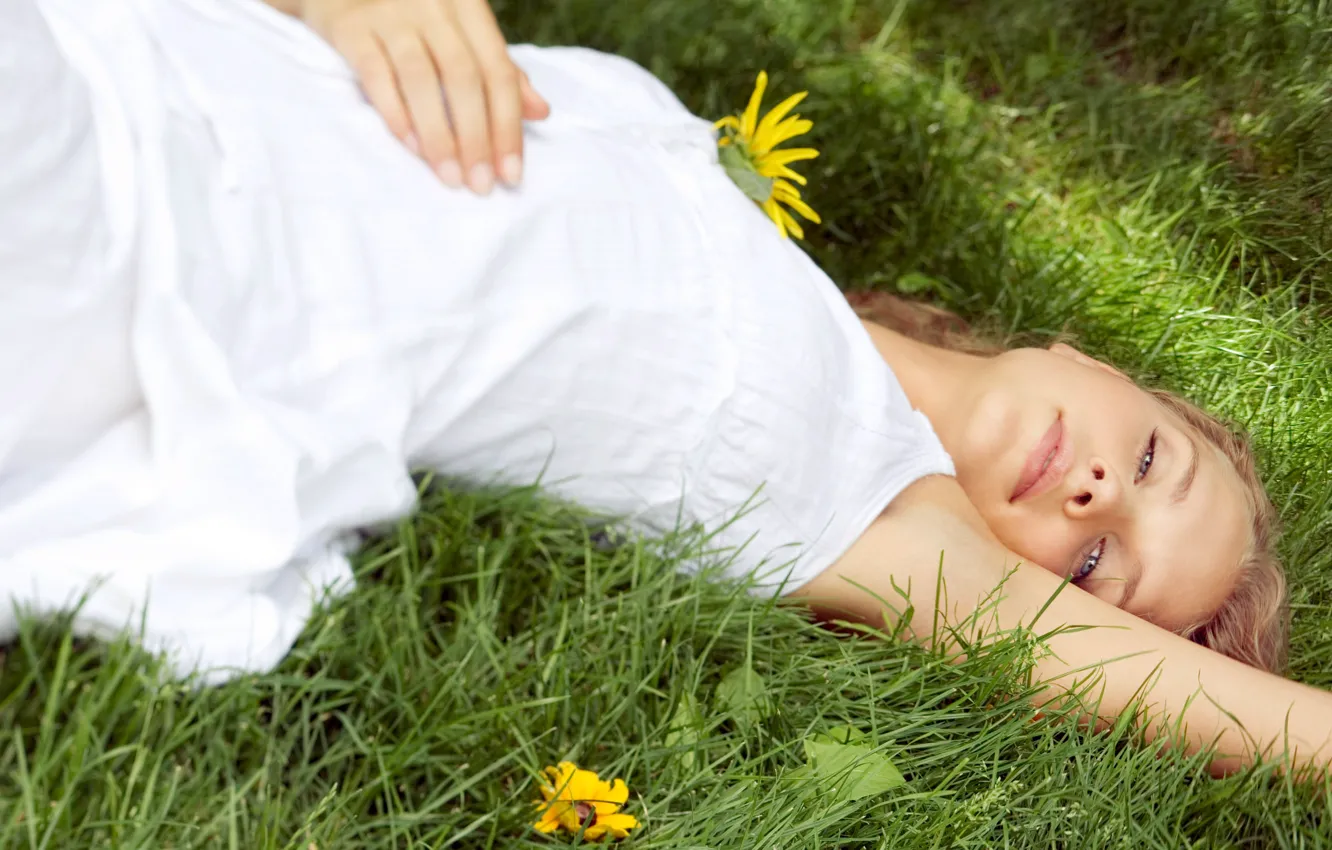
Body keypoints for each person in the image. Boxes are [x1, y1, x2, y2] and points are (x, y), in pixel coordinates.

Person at [1, 0, 1328, 777]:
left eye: (1095, 565)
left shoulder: (884, 514)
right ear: (1088, 362)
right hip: (136, 56)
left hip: (135, 262)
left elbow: (1244, 718)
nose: (1099, 494)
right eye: (1152, 463)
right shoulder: (727, 196)